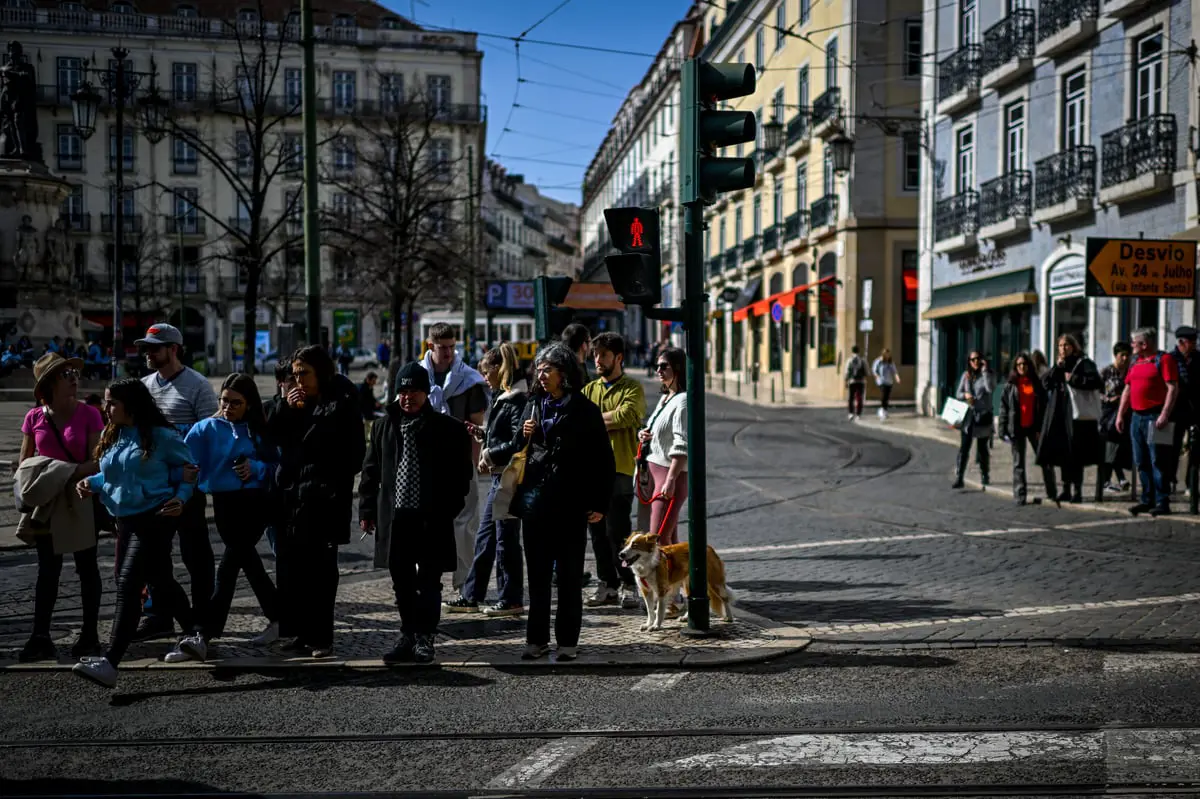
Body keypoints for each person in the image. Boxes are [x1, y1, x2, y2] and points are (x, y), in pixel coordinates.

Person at [71, 379, 201, 688]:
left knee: (128, 584)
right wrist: (94, 483)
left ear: (131, 404)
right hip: (125, 518)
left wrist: (180, 499)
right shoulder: (113, 433)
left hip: (154, 516)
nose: (106, 408)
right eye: (106, 402)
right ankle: (195, 635)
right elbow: (116, 472)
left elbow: (190, 469)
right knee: (160, 580)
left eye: (112, 403)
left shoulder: (162, 436)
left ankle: (110, 661)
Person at [359, 362, 473, 664]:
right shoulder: (384, 427)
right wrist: (367, 510)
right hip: (396, 519)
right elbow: (370, 472)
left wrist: (450, 507)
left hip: (431, 518)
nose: (408, 397)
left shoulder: (446, 428)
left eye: (415, 391)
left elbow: (462, 475)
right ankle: (408, 634)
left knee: (430, 580)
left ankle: (426, 637)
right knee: (402, 581)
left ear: (426, 393)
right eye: (403, 391)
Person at [511, 343, 614, 661]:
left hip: (571, 505)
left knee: (569, 578)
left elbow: (603, 460)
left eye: (547, 370)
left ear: (564, 374)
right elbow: (518, 449)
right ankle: (536, 640)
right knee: (538, 577)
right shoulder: (534, 404)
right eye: (538, 369)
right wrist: (523, 434)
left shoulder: (584, 410)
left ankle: (568, 642)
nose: (541, 375)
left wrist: (599, 503)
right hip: (536, 504)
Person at [172, 374, 280, 661]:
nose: (228, 407)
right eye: (224, 401)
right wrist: (181, 496)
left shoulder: (258, 427)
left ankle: (202, 634)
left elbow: (276, 464)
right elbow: (186, 463)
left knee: (230, 565)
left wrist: (254, 467)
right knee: (247, 561)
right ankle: (281, 617)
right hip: (223, 503)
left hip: (256, 502)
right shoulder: (205, 428)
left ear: (249, 404)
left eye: (236, 403)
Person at [266, 345, 365, 658]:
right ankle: (300, 632)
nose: (299, 381)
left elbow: (355, 452)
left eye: (304, 374)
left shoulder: (342, 401)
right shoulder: (293, 403)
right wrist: (286, 409)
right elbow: (272, 438)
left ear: (320, 372)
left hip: (325, 500)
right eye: (294, 375)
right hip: (292, 498)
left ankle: (321, 637)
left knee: (321, 572)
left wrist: (328, 481)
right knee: (294, 570)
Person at [16, 353, 104, 662]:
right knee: (48, 570)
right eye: (64, 374)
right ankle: (40, 635)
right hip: (48, 503)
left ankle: (90, 635)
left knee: (86, 567)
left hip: (80, 498)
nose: (73, 378)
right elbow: (25, 463)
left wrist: (64, 472)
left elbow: (97, 461)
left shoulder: (91, 414)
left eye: (73, 373)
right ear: (47, 386)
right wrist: (54, 473)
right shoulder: (34, 417)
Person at [134, 323, 219, 642]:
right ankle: (158, 614)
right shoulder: (143, 387)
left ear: (173, 349)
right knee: (154, 555)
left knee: (194, 552)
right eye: (146, 348)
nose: (148, 353)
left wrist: (192, 477)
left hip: (187, 487)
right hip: (153, 487)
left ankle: (202, 614)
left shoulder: (198, 386)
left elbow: (209, 436)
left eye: (155, 348)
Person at [444, 343, 528, 617]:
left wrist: (490, 451)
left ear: (498, 368)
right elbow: (507, 434)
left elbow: (518, 440)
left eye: (485, 371)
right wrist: (484, 434)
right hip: (499, 476)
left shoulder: (516, 398)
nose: (483, 377)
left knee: (505, 538)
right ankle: (472, 595)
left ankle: (511, 597)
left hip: (509, 477)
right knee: (487, 538)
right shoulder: (504, 396)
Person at [420, 323, 489, 594]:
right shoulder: (418, 376)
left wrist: (472, 466)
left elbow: (476, 426)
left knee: (465, 523)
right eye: (442, 347)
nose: (448, 353)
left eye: (451, 347)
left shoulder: (469, 380)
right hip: (426, 463)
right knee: (425, 524)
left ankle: (464, 584)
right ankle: (425, 581)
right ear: (430, 347)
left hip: (460, 461)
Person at [581, 333, 645, 610]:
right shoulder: (589, 389)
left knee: (618, 530)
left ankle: (630, 584)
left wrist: (595, 421)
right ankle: (606, 583)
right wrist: (604, 420)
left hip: (620, 468)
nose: (598, 359)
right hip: (591, 470)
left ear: (618, 358)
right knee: (596, 531)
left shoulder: (632, 387)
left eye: (604, 355)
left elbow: (628, 415)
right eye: (596, 354)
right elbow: (578, 420)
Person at [1116, 327, 1179, 516]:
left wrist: (1165, 414)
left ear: (1144, 344)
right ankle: (1147, 499)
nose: (1131, 345)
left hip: (1155, 416)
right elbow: (1127, 390)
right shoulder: (1135, 361)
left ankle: (1162, 500)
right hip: (1136, 416)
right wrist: (1120, 414)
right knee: (1141, 460)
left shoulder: (1164, 359)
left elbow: (1173, 388)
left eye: (1134, 342)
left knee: (1157, 460)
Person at [1037, 334, 1103, 504]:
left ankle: (1077, 491)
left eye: (1066, 345)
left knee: (1077, 455)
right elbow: (1045, 384)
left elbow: (1096, 382)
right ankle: (1065, 489)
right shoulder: (1060, 364)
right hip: (1060, 414)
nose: (1063, 349)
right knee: (1062, 453)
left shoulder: (1084, 363)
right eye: (1060, 345)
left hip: (1078, 416)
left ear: (1074, 346)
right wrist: (1056, 368)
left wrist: (1073, 379)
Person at [638, 346, 688, 543]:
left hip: (668, 476)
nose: (658, 370)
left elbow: (682, 444)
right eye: (657, 366)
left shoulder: (683, 401)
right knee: (668, 541)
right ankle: (679, 575)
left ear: (677, 368)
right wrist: (644, 433)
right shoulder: (666, 397)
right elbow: (656, 427)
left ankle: (662, 574)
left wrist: (670, 480)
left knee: (656, 540)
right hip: (654, 473)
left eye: (663, 366)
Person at [998, 352, 1052, 506]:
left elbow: (1043, 407)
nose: (1022, 367)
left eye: (1024, 364)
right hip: (1017, 428)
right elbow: (1003, 409)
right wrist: (1002, 429)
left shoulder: (1036, 384)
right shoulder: (1010, 385)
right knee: (1018, 464)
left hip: (1034, 428)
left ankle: (1052, 492)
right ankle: (1020, 495)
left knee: (1044, 459)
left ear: (1029, 366)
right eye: (1019, 364)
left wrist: (1042, 427)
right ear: (1015, 366)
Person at [953, 351, 995, 489]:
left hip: (983, 416)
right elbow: (958, 393)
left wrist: (984, 372)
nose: (975, 362)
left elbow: (990, 388)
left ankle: (985, 475)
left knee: (982, 448)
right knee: (964, 447)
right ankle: (959, 477)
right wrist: (965, 395)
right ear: (969, 362)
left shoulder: (988, 374)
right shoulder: (966, 376)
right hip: (969, 416)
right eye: (972, 360)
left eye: (978, 359)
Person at [1166, 326, 1199, 496]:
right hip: (1175, 410)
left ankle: (1191, 483)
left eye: (1195, 342)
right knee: (1173, 447)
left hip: (1195, 410)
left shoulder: (1198, 358)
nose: (1194, 345)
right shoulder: (1170, 359)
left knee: (1195, 449)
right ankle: (1170, 480)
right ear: (1181, 342)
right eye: (1190, 342)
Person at [1100, 342, 1133, 493]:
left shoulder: (1131, 371)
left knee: (1120, 448)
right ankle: (1115, 479)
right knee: (1111, 446)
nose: (1125, 358)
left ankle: (1116, 479)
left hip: (1127, 414)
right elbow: (1096, 391)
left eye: (1128, 355)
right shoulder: (1106, 372)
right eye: (1122, 355)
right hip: (1109, 414)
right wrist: (1108, 399)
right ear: (1116, 355)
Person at [872, 348, 900, 420]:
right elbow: (874, 370)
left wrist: (897, 378)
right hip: (881, 381)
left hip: (889, 381)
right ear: (884, 354)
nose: (888, 356)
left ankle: (885, 410)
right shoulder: (879, 361)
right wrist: (877, 376)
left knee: (887, 396)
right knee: (884, 395)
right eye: (887, 354)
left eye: (889, 354)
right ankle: (882, 410)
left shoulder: (891, 362)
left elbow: (894, 371)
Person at [844, 346, 868, 421]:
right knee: (859, 398)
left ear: (852, 351)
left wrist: (846, 380)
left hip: (852, 381)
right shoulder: (862, 360)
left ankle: (851, 413)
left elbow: (847, 371)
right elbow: (867, 371)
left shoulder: (850, 360)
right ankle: (858, 414)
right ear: (859, 351)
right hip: (861, 381)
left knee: (851, 398)